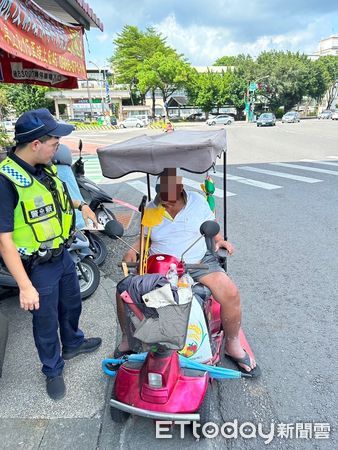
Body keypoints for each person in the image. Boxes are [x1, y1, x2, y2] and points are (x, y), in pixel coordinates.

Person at [115, 168, 260, 377]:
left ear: (181, 190)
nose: (166, 205)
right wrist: (132, 250)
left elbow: (213, 230)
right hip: (159, 266)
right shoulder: (152, 208)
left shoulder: (198, 202)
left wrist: (220, 241)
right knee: (124, 291)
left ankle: (232, 343)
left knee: (230, 292)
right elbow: (143, 238)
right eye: (162, 199)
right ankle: (128, 338)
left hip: (197, 262)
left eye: (170, 201)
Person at [0, 109, 102, 400]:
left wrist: (81, 205)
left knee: (71, 305)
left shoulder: (43, 168)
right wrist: (25, 286)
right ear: (35, 143)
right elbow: (4, 240)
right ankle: (52, 369)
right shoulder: (6, 181)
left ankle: (72, 343)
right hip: (37, 266)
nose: (58, 148)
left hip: (62, 255)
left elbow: (56, 194)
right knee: (45, 321)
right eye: (55, 143)